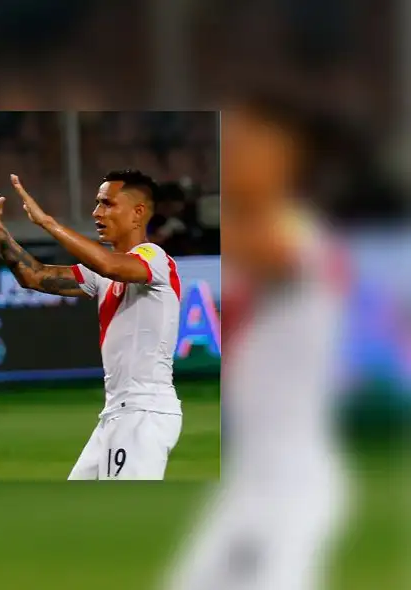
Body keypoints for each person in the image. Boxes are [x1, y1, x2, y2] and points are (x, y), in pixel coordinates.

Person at [163, 96, 350, 590]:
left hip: (291, 483)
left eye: (249, 144)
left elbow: (269, 250)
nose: (234, 154)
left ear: (288, 160)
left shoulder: (297, 237)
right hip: (251, 480)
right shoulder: (258, 237)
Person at [0, 170, 182, 480]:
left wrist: (47, 223)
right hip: (116, 414)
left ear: (138, 212)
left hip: (143, 413)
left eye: (107, 204)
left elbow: (108, 265)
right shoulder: (104, 273)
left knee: (120, 519)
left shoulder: (154, 258)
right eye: (96, 204)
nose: (96, 212)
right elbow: (34, 276)